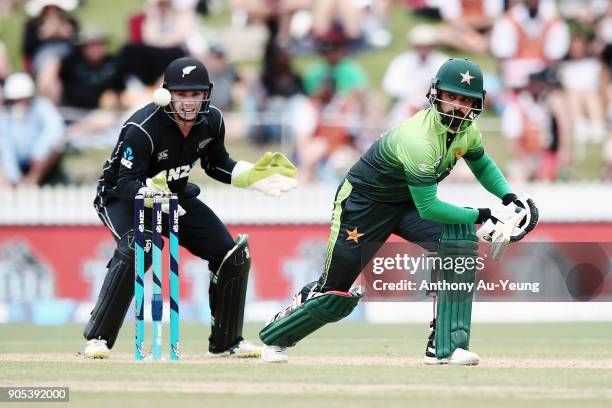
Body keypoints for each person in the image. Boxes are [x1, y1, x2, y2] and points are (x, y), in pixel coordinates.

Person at [258, 59, 539, 364]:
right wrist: (482, 215)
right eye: (451, 97)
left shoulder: (467, 132)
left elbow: (481, 164)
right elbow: (429, 207)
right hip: (364, 205)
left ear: (478, 103)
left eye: (466, 100)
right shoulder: (418, 140)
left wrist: (509, 197)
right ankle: (275, 337)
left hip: (404, 203)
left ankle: (444, 346)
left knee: (458, 245)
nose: (458, 107)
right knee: (333, 295)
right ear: (435, 95)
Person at [83, 57, 299, 359]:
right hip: (121, 197)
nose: (189, 102)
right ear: (168, 94)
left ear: (206, 94)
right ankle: (99, 338)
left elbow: (216, 164)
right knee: (140, 247)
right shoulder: (142, 128)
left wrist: (251, 176)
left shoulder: (212, 121)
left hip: (174, 196)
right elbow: (125, 182)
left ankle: (226, 342)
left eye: (195, 94)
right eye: (182, 94)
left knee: (230, 255)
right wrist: (150, 194)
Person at [0, 72, 66, 186]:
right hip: (17, 161)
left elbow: (55, 128)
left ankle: (33, 181)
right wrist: (15, 177)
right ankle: (13, 185)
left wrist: (39, 151)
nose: (20, 103)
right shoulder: (5, 118)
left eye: (23, 99)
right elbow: (6, 149)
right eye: (15, 100)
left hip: (39, 160)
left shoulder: (42, 107)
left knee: (55, 148)